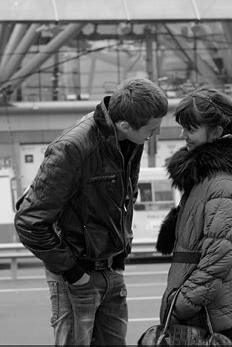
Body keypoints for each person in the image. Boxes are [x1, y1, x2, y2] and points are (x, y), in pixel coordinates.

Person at [14, 78, 168, 346]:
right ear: (124, 125)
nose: (156, 134)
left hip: (111, 270)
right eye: (152, 129)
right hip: (76, 275)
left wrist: (119, 261)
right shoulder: (73, 147)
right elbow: (29, 222)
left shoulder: (130, 139)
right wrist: (74, 274)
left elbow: (123, 199)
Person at [155, 88, 232, 346]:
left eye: (191, 129)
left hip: (208, 312)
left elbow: (219, 255)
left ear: (216, 133)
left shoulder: (224, 182)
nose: (183, 135)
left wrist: (181, 305)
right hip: (206, 306)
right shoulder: (208, 175)